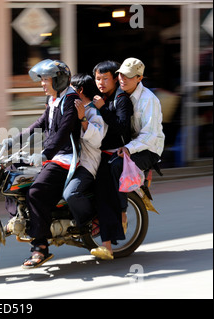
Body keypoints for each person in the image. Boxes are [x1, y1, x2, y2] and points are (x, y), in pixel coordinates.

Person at [1, 59, 81, 269]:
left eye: (46, 79)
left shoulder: (71, 100)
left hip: (65, 158)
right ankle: (19, 219)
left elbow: (63, 134)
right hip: (51, 155)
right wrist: (14, 140)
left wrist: (45, 154)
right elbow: (41, 123)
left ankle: (41, 247)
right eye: (42, 79)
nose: (42, 84)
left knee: (35, 192)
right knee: (10, 171)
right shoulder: (53, 99)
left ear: (59, 80)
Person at [113, 57, 165, 229]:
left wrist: (128, 148)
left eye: (128, 76)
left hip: (149, 149)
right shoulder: (120, 94)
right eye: (120, 75)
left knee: (116, 166)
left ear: (139, 78)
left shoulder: (149, 99)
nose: (122, 79)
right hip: (132, 145)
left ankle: (121, 214)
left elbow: (149, 135)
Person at [90, 61, 134, 260]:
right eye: (98, 78)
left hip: (115, 154)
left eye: (105, 78)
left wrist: (103, 109)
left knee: (104, 196)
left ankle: (106, 245)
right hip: (100, 153)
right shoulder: (102, 98)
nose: (101, 82)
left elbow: (121, 127)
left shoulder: (121, 99)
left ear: (115, 78)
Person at [63, 74, 107, 231]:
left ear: (80, 90)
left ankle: (92, 220)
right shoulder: (70, 109)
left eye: (71, 89)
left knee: (71, 194)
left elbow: (97, 140)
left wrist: (83, 119)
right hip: (68, 161)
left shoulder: (93, 112)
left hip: (86, 164)